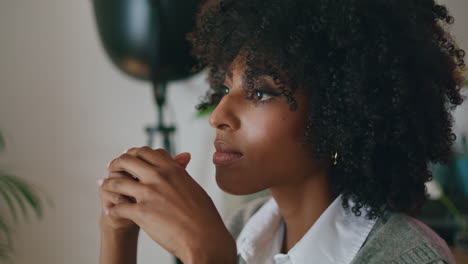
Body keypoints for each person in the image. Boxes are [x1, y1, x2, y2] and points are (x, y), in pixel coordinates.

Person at [97, 0, 466, 263]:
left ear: (342, 113)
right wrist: (118, 234)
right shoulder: (244, 229)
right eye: (226, 88)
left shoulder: (407, 257)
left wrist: (208, 256)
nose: (218, 115)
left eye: (261, 93)